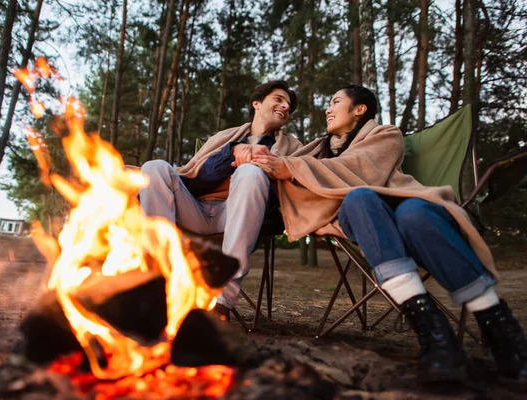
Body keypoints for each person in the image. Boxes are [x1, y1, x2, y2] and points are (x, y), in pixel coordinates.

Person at [252, 85, 527, 383]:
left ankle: (499, 329)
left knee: (415, 215)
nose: (328, 109)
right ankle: (432, 330)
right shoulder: (318, 148)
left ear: (360, 109)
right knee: (360, 198)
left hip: (402, 205)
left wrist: (293, 168)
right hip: (358, 216)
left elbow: (360, 170)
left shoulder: (385, 134)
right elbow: (277, 158)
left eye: (335, 102)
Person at [139, 80, 302, 321]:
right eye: (279, 99)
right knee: (154, 167)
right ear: (256, 104)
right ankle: (158, 278)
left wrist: (261, 165)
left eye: (288, 105)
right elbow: (196, 177)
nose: (285, 107)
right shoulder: (225, 137)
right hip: (195, 209)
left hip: (237, 216)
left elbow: (288, 191)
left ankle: (223, 299)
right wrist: (232, 152)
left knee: (251, 172)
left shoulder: (293, 147)